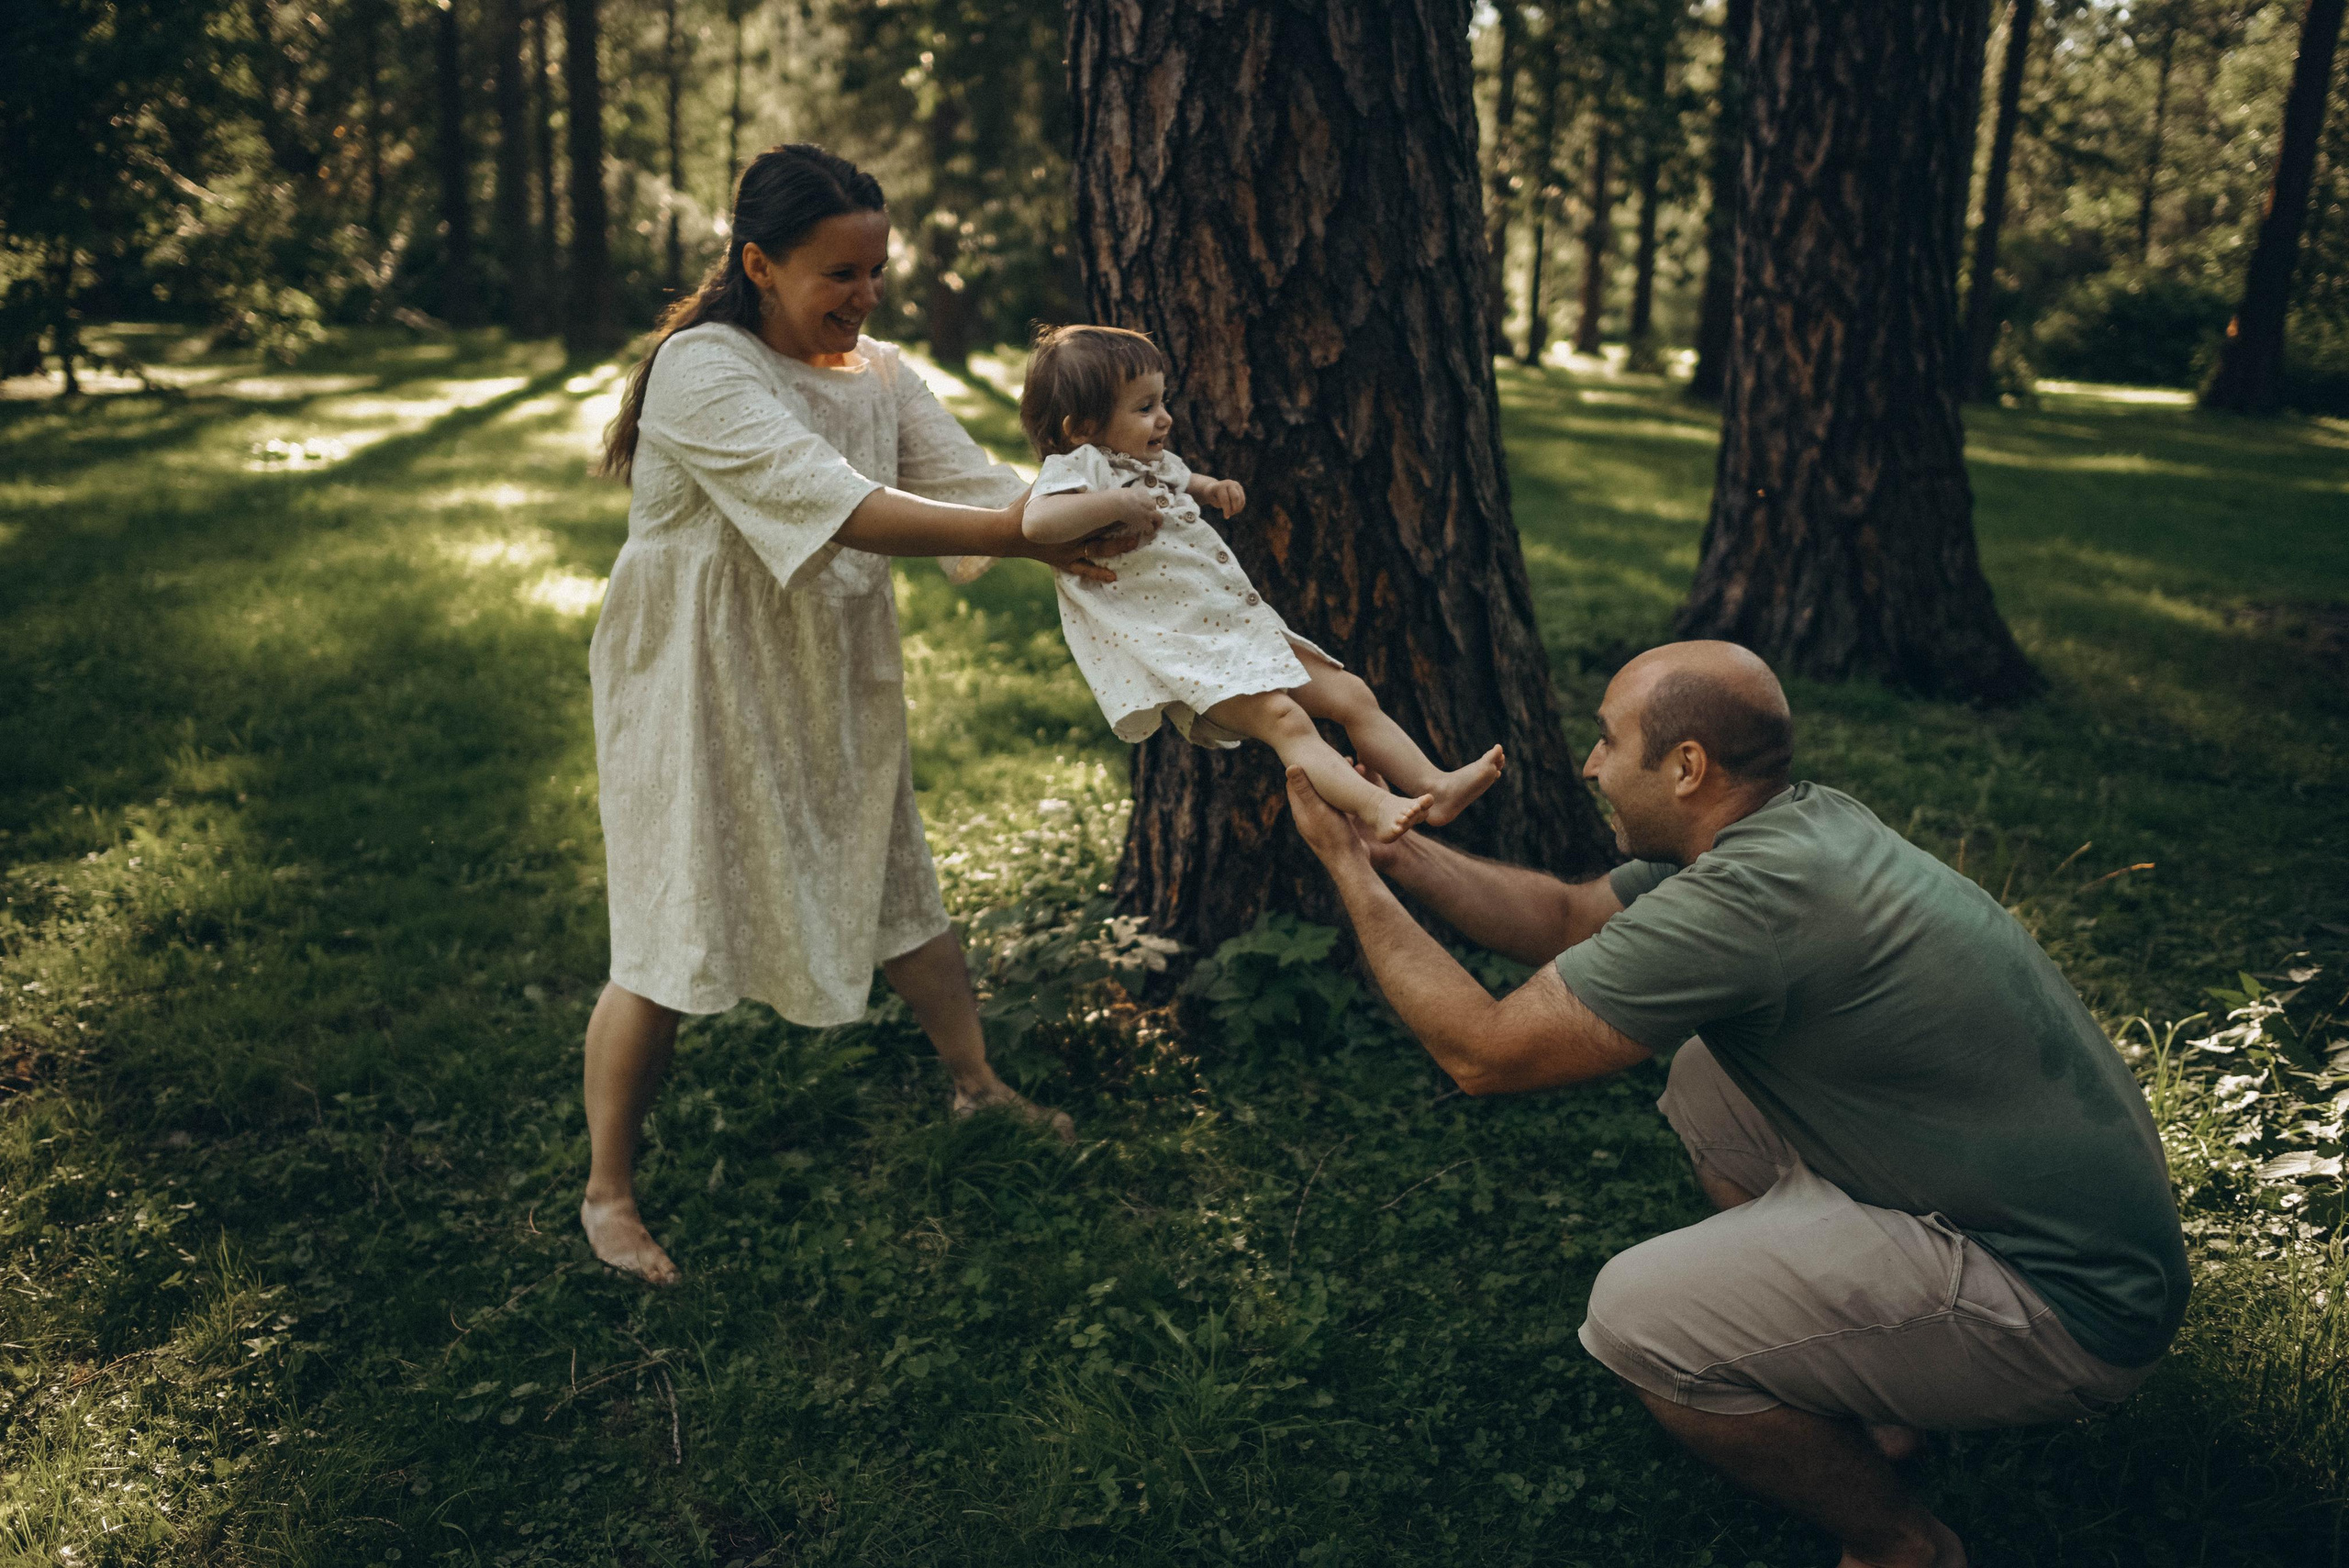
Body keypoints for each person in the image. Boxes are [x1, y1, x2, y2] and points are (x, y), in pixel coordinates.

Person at [1282, 639, 2189, 1568]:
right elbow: (1564, 917)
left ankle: (1902, 1545)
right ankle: (1870, 1394)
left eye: (1607, 739)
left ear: (1686, 767)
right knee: (1708, 1082)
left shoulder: (1747, 901)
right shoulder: (1795, 826)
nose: (1589, 764)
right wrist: (1393, 848)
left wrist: (1346, 869)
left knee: (1641, 1316)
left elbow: (1483, 1052)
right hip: (2072, 1232)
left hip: (2070, 1306)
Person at [580, 145, 1152, 1285]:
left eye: (876, 270)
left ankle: (976, 1085)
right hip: (698, 678)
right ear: (759, 265)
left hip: (826, 666)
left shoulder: (880, 374)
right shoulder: (702, 367)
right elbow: (841, 506)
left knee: (891, 871)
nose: (865, 295)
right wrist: (1027, 538)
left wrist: (1122, 508)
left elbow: (980, 485)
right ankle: (608, 1190)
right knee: (669, 923)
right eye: (839, 273)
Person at [1015, 324, 1506, 842]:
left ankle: (1434, 786)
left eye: (1162, 401)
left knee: (1351, 693)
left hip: (1238, 627)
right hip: (1186, 653)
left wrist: (1213, 488)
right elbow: (1036, 524)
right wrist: (1113, 503)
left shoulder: (1150, 462)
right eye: (1144, 408)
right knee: (1284, 719)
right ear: (1081, 427)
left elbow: (1184, 480)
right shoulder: (1081, 467)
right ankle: (1377, 807)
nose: (1165, 418)